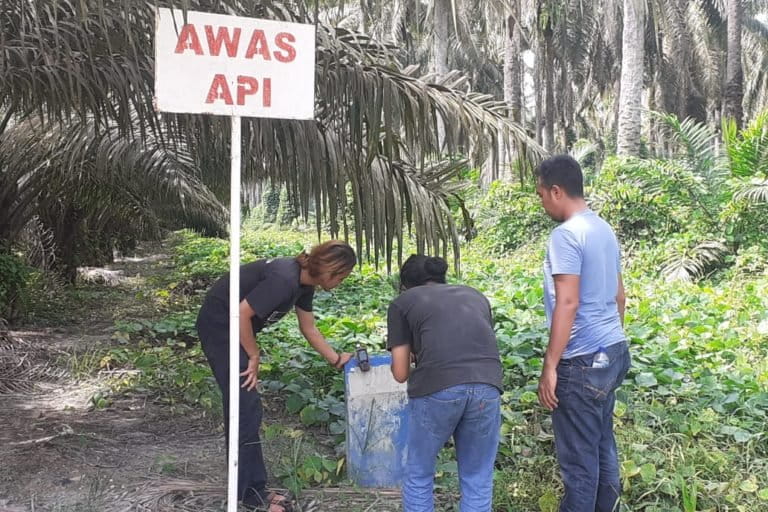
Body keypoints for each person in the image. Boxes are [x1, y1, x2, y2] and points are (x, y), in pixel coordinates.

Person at [195, 241, 356, 512]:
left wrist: (336, 359)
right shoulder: (284, 279)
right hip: (221, 326)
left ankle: (251, 488)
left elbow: (309, 328)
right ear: (330, 270)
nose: (342, 282)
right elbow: (240, 314)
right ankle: (250, 494)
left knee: (245, 406)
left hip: (233, 328)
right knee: (244, 407)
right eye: (342, 275)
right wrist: (254, 355)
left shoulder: (304, 285)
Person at [534, 155, 631, 512]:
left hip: (582, 360)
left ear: (556, 191)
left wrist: (551, 365)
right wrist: (608, 342)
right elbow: (619, 296)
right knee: (603, 447)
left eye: (541, 194)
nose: (542, 202)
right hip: (613, 350)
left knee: (579, 465)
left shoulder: (566, 235)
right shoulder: (603, 229)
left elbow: (568, 302)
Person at [387, 254, 503, 512]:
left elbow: (400, 372)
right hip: (488, 385)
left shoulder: (403, 302)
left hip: (437, 387)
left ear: (405, 284)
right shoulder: (475, 296)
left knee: (419, 473)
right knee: (478, 477)